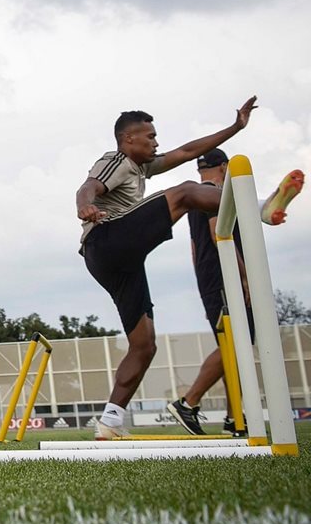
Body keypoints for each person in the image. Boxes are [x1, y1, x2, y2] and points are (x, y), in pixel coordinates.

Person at [75, 98, 256, 439]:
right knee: (187, 192)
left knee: (144, 345)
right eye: (151, 137)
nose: (157, 143)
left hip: (117, 263)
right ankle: (258, 206)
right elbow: (89, 186)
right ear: (129, 140)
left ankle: (110, 423)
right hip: (107, 239)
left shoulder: (142, 167)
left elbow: (188, 151)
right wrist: (85, 205)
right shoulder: (115, 160)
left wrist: (235, 128)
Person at [166, 151, 302, 435]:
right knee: (236, 343)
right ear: (226, 167)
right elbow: (218, 232)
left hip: (209, 277)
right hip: (225, 275)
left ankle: (234, 417)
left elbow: (194, 246)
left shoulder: (194, 198)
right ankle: (187, 402)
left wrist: (203, 282)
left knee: (235, 347)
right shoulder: (214, 194)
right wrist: (243, 276)